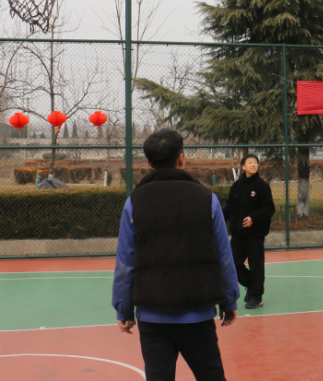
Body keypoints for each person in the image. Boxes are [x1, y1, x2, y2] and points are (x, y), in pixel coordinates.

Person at [112, 129, 241, 381]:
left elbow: (125, 262)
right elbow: (224, 257)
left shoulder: (134, 202)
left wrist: (123, 309)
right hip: (198, 311)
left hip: (152, 313)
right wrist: (229, 301)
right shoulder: (207, 198)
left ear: (148, 163)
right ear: (182, 158)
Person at [223, 154, 275, 309]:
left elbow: (269, 208)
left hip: (255, 235)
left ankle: (256, 297)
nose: (253, 165)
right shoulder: (236, 186)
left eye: (255, 162)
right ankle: (252, 285)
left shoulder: (262, 186)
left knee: (256, 266)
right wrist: (217, 219)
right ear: (243, 167)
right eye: (250, 162)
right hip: (238, 235)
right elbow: (229, 208)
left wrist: (254, 218)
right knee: (230, 263)